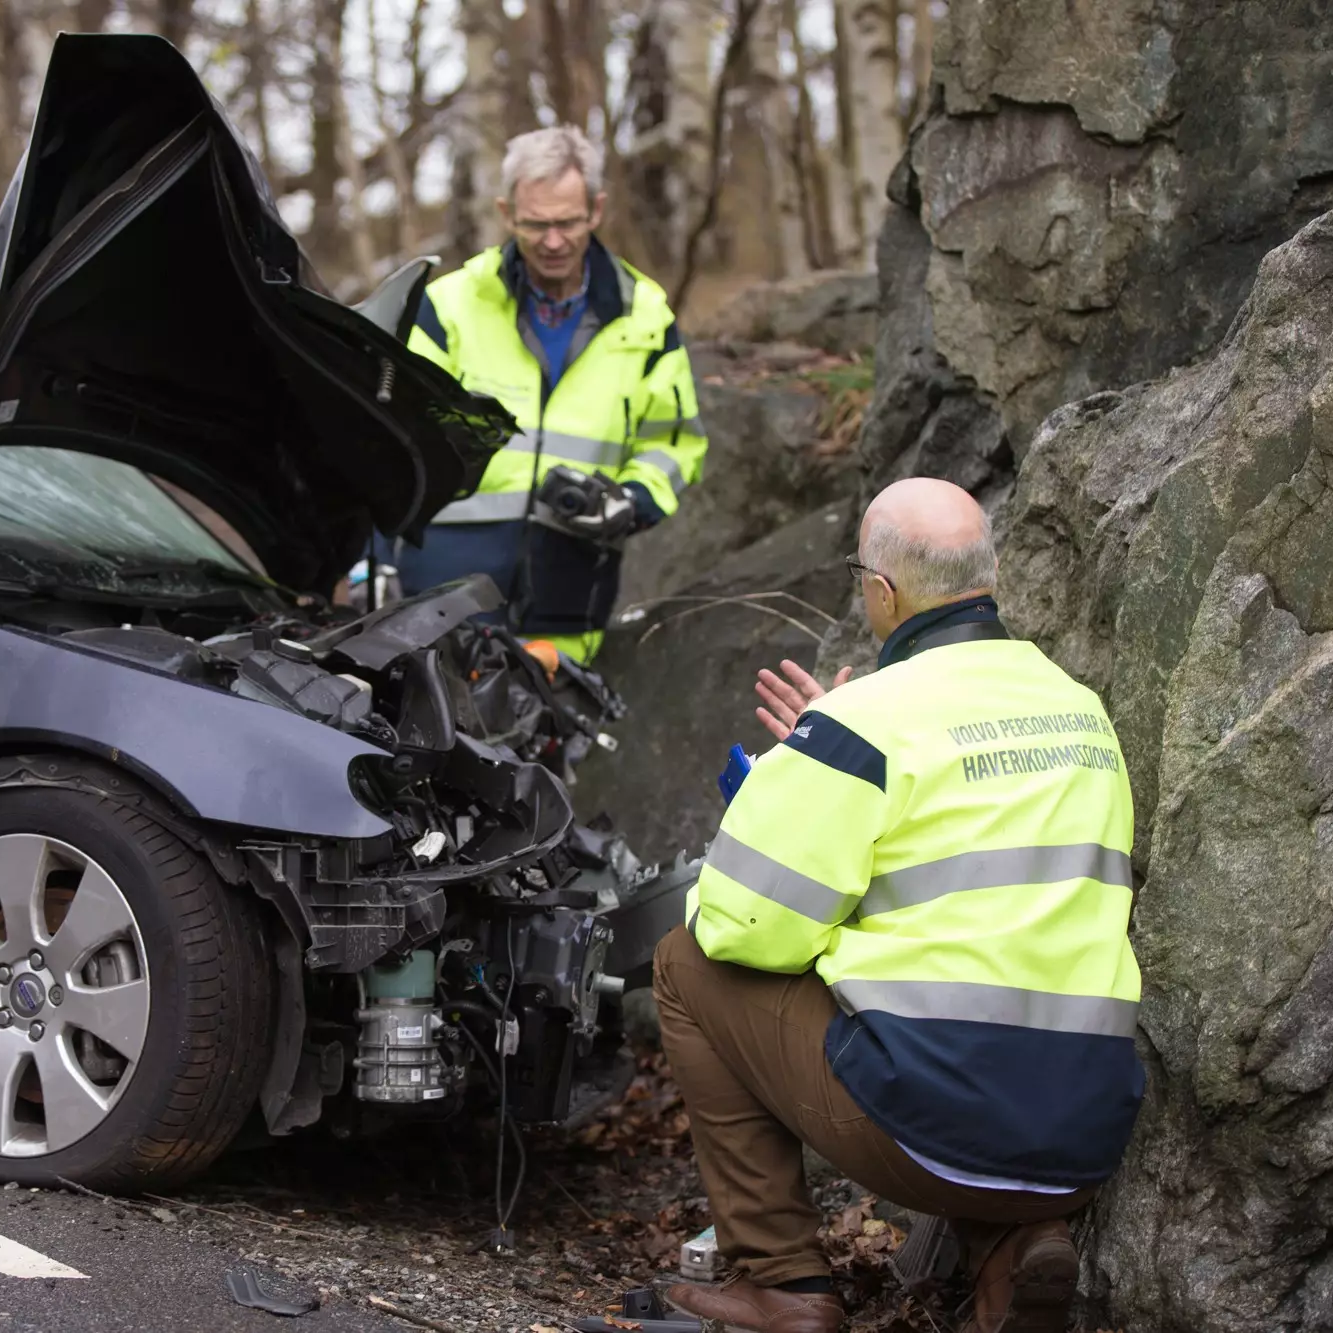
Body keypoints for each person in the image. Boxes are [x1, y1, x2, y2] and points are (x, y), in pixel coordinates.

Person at [653, 478, 1145, 1333]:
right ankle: (1014, 1248)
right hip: (1086, 1133)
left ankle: (783, 1281)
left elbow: (741, 925)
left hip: (936, 1133)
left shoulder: (864, 723)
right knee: (963, 1025)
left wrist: (797, 773)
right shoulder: (1082, 711)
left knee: (683, 963)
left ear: (882, 591)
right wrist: (830, 749)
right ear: (987, 577)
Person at [383, 125, 707, 666]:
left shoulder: (645, 316)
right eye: (536, 224)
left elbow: (673, 443)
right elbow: (389, 436)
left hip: (570, 591)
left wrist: (631, 501)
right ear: (507, 213)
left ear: (596, 211)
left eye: (567, 222)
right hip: (446, 590)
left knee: (550, 741)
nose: (553, 241)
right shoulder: (448, 308)